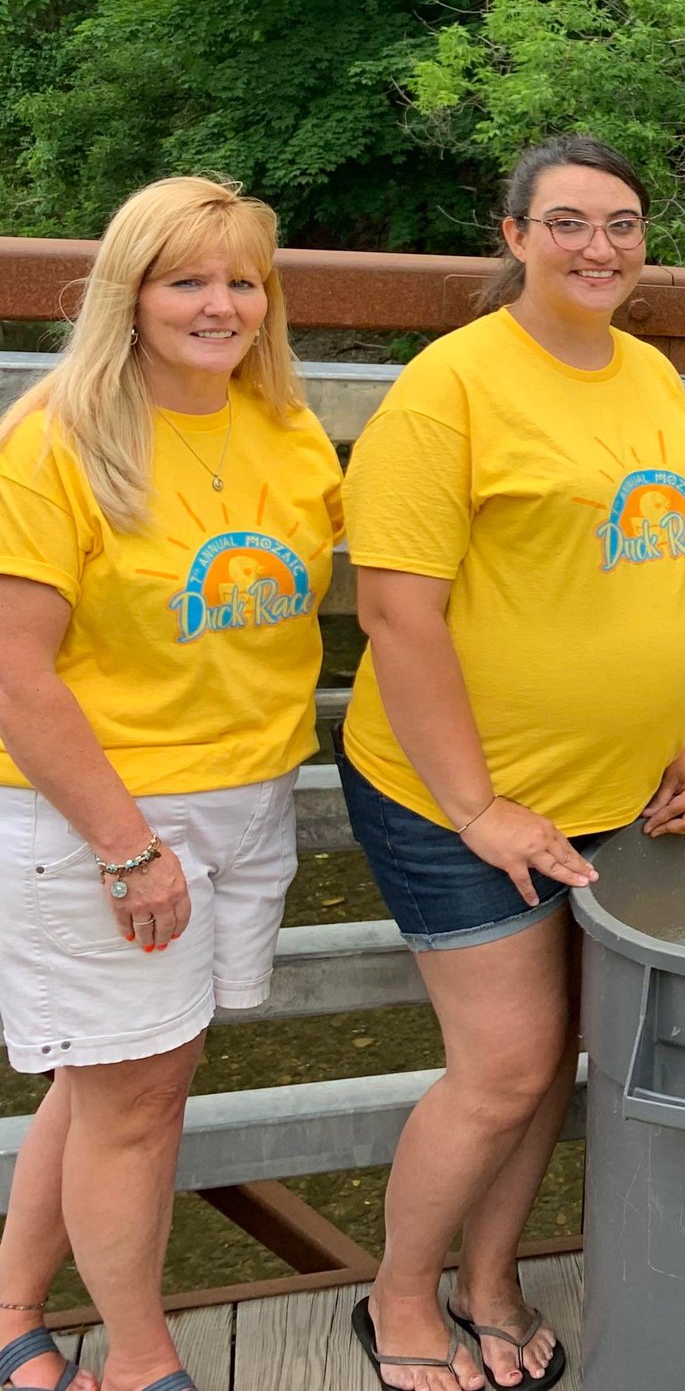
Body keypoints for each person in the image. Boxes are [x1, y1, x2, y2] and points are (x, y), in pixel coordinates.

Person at [340, 135, 685, 1391]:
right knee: (503, 1065)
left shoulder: (655, 373)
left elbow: (675, 561)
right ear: (511, 238)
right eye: (566, 223)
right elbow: (395, 614)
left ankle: (490, 1281)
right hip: (458, 795)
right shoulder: (448, 390)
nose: (597, 247)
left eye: (621, 223)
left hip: (618, 793)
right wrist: (479, 807)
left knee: (557, 1055)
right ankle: (397, 1299)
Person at [0, 178, 340, 1391]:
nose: (220, 304)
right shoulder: (57, 437)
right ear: (127, 294)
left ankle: (6, 1315)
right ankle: (142, 1364)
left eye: (243, 279)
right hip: (108, 813)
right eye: (186, 279)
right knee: (136, 1101)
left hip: (247, 800)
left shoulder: (286, 427)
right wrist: (124, 843)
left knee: (121, 1076)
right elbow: (12, 668)